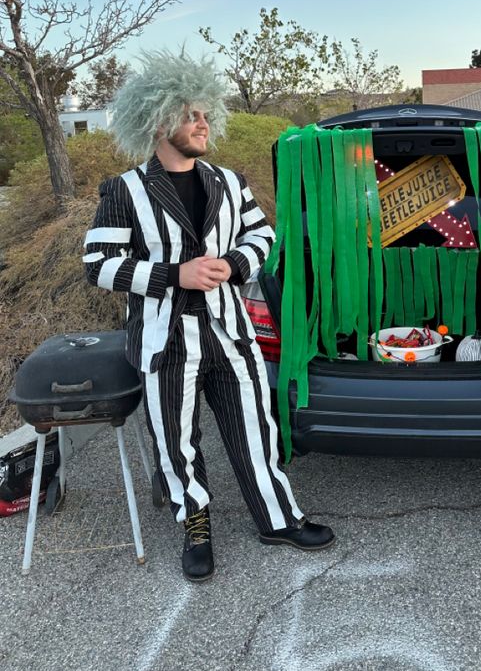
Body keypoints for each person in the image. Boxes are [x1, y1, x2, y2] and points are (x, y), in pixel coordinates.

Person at [84, 49, 334, 582]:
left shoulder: (228, 180)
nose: (203, 123)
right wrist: (176, 274)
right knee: (175, 437)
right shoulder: (125, 191)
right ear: (158, 118)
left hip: (229, 330)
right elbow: (99, 264)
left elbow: (262, 235)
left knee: (254, 427)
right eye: (191, 113)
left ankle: (277, 517)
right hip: (164, 337)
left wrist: (234, 263)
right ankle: (195, 525)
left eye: (205, 114)